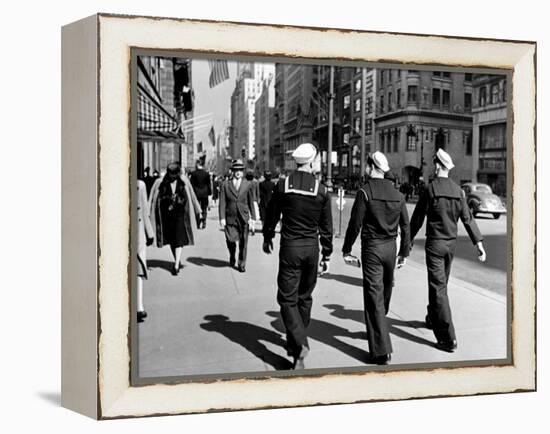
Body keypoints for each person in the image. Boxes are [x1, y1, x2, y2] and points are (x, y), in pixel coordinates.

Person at [263, 143, 333, 370]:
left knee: (286, 298)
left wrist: (267, 237)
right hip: (312, 249)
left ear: (296, 161)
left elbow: (271, 214)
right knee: (305, 297)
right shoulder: (321, 190)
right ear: (311, 162)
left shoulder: (283, 186)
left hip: (290, 248)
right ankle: (297, 348)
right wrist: (327, 254)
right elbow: (327, 227)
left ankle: (299, 344)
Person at [410, 149, 487, 352]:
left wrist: (406, 240)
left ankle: (448, 337)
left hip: (435, 244)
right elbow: (468, 218)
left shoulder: (430, 189)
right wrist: (478, 243)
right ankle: (431, 317)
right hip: (451, 246)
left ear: (436, 166)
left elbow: (418, 218)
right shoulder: (458, 191)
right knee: (439, 285)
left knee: (438, 288)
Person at [342, 151, 410, 365]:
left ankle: (381, 350)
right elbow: (405, 226)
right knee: (385, 291)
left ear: (372, 167)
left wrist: (346, 249)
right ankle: (377, 329)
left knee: (374, 296)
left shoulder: (365, 192)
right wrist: (404, 253)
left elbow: (355, 224)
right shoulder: (398, 194)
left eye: (366, 165)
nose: (365, 168)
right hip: (391, 248)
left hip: (371, 249)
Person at [149, 162, 202, 275]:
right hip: (167, 217)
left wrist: (198, 210)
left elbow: (192, 195)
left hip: (181, 215)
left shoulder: (184, 181)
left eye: (174, 174)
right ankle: (176, 259)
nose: (172, 177)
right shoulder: (160, 182)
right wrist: (149, 212)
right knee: (172, 241)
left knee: (179, 239)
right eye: (170, 174)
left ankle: (176, 264)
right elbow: (152, 199)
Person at [219, 159, 257, 272]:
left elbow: (251, 201)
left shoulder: (248, 184)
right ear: (232, 171)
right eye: (236, 170)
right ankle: (232, 254)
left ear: (243, 171)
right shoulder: (225, 184)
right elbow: (222, 201)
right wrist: (222, 217)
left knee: (243, 241)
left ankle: (241, 264)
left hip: (243, 216)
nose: (238, 172)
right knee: (230, 240)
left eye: (240, 170)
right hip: (230, 216)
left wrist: (253, 218)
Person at [137, 179, 154, 323]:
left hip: (138, 233)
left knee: (138, 270)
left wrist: (149, 233)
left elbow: (144, 210)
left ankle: (139, 306)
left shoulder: (140, 185)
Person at [189, 160, 212, 229]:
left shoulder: (193, 174)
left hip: (196, 193)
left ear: (197, 165)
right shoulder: (206, 174)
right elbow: (208, 184)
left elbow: (191, 185)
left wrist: (191, 193)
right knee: (204, 208)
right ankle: (204, 220)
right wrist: (209, 193)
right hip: (204, 193)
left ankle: (198, 222)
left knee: (196, 208)